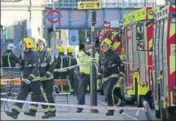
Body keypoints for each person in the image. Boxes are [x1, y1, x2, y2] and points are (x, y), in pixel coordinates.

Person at [5, 38, 51, 119]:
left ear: (28, 46)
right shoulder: (24, 54)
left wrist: (29, 78)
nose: (21, 47)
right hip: (25, 81)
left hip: (34, 81)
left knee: (39, 96)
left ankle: (48, 112)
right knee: (21, 96)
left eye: (23, 46)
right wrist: (18, 62)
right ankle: (14, 113)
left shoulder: (34, 55)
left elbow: (35, 69)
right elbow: (23, 65)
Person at [24, 38, 56, 118]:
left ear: (44, 45)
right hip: (38, 78)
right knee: (35, 94)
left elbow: (52, 64)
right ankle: (32, 111)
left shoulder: (47, 53)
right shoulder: (36, 54)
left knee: (48, 95)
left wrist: (48, 74)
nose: (39, 46)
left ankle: (52, 112)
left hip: (47, 79)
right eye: (38, 45)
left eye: (41, 45)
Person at [98, 38, 125, 116]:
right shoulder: (101, 56)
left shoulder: (115, 55)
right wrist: (99, 77)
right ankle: (120, 102)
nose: (105, 47)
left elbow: (121, 66)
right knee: (107, 94)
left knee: (109, 92)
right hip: (105, 77)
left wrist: (121, 75)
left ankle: (111, 110)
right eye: (103, 46)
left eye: (106, 46)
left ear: (109, 46)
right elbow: (100, 68)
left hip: (113, 75)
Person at [76, 37, 99, 113]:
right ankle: (80, 107)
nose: (88, 46)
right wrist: (91, 58)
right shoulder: (80, 53)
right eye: (86, 44)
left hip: (92, 75)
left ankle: (94, 108)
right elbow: (83, 60)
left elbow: (96, 60)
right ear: (84, 45)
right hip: (84, 75)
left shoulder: (95, 53)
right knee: (81, 92)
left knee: (94, 92)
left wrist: (91, 57)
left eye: (89, 44)